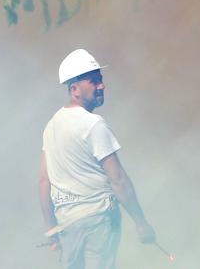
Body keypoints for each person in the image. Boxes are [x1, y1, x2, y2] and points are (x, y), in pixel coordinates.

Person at [40, 48, 155, 268]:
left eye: (100, 79)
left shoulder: (51, 127)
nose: (101, 85)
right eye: (93, 81)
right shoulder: (94, 125)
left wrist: (50, 228)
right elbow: (118, 179)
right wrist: (141, 223)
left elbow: (44, 181)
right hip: (98, 221)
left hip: (67, 225)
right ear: (74, 89)